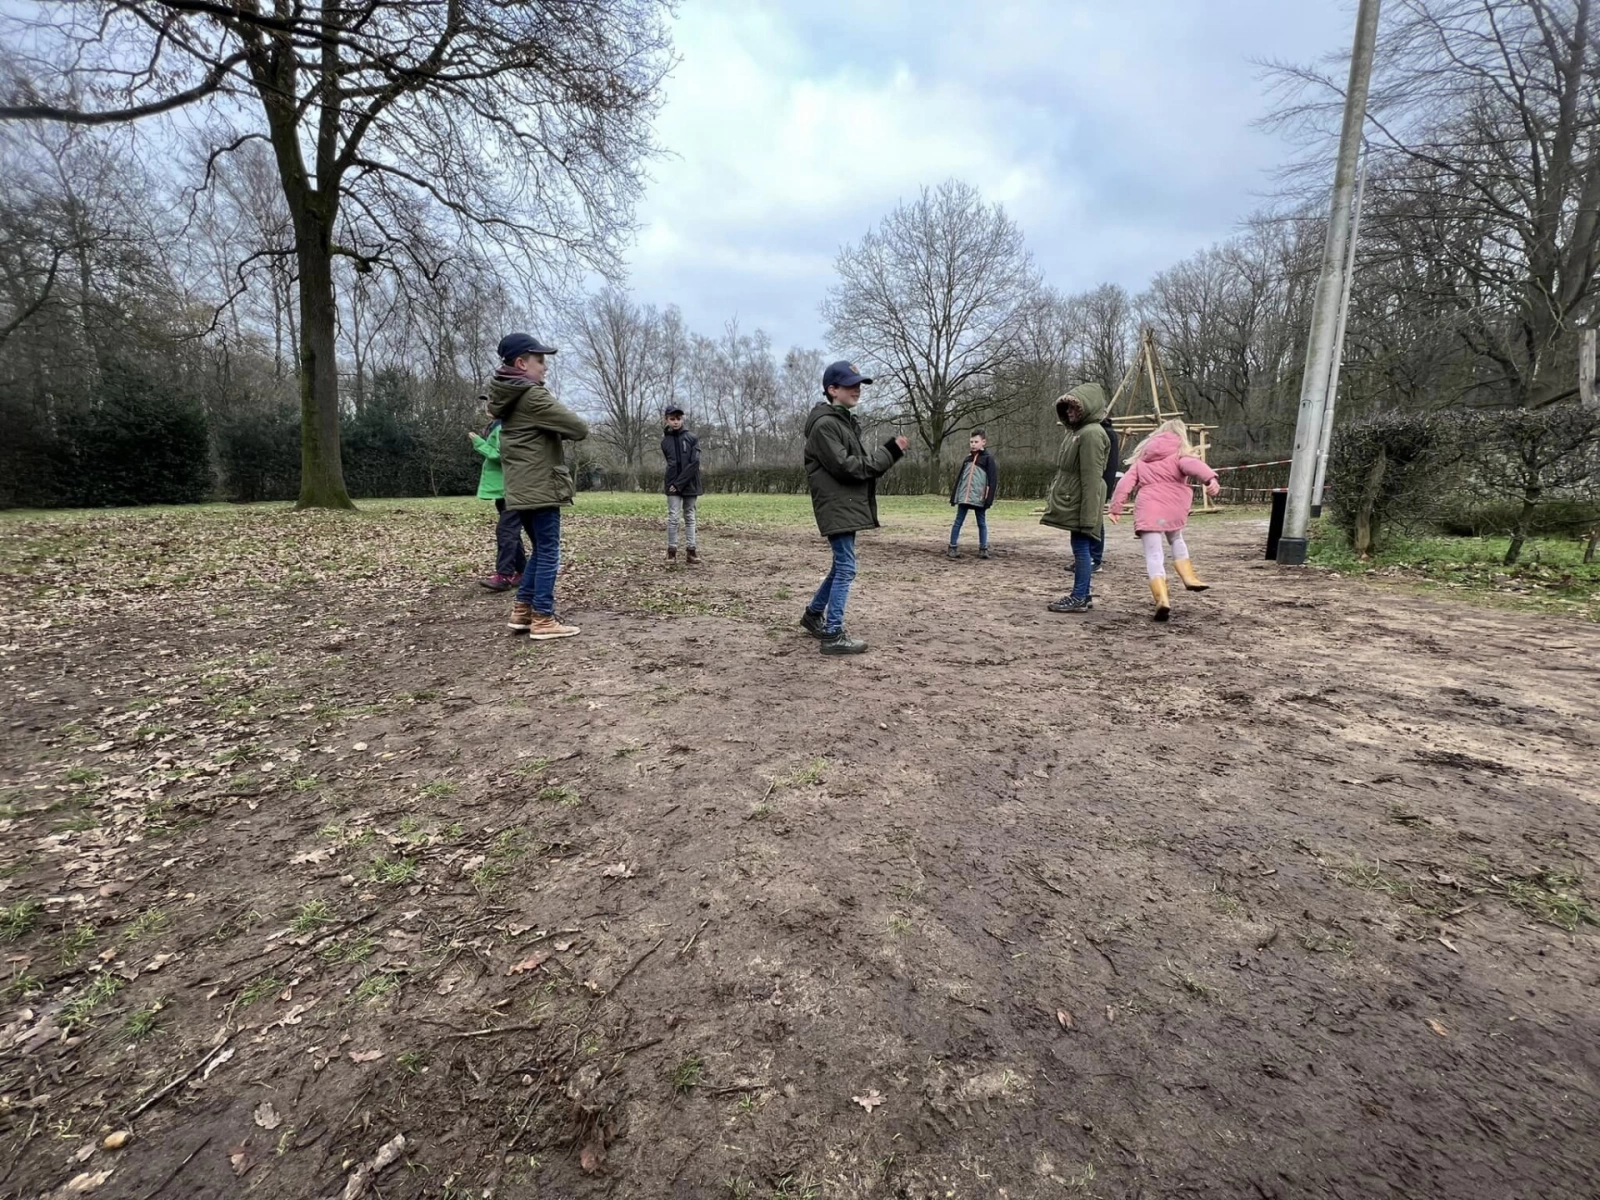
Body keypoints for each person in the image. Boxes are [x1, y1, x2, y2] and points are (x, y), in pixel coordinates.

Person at [799, 361, 907, 655]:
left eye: (859, 384)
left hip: (842, 505)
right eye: (850, 384)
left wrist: (888, 452)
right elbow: (847, 467)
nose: (857, 389)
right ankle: (833, 634)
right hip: (837, 506)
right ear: (832, 390)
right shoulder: (825, 426)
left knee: (840, 565)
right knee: (846, 567)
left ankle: (813, 615)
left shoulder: (840, 422)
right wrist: (890, 452)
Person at [486, 333, 590, 640]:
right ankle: (543, 618)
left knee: (539, 550)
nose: (545, 367)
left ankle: (522, 611)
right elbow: (579, 428)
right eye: (540, 360)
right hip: (540, 484)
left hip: (521, 486)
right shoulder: (532, 395)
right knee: (549, 552)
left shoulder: (507, 397)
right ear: (521, 363)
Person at [1108, 418, 1220, 621]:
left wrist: (1115, 508)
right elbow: (1193, 465)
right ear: (1180, 436)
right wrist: (1210, 479)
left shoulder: (1142, 460)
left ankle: (1162, 599)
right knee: (1176, 539)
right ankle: (1189, 577)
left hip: (1148, 509)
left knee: (1153, 554)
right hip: (1173, 508)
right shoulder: (1179, 455)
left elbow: (1125, 483)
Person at [1040, 383, 1111, 613]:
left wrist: (1089, 515)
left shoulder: (1091, 434)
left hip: (1082, 501)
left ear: (1086, 408)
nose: (1069, 412)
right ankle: (1084, 593)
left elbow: (1091, 477)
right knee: (1080, 548)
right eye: (1067, 408)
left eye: (1073, 408)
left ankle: (1079, 596)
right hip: (1076, 499)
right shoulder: (1080, 433)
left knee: (1081, 548)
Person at [468, 405, 528, 591]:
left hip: (512, 489)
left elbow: (500, 455)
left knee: (506, 532)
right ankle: (523, 573)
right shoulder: (497, 425)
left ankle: (504, 576)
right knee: (510, 533)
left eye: (492, 403)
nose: (487, 407)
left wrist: (479, 443)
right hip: (504, 490)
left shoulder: (504, 427)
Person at [946, 429, 998, 559]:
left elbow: (992, 480)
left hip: (979, 498)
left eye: (976, 441)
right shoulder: (967, 459)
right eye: (971, 442)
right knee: (958, 521)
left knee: (981, 523)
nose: (973, 444)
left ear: (983, 442)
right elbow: (960, 479)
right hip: (964, 497)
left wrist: (989, 499)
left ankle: (983, 548)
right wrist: (954, 496)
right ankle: (952, 547)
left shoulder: (988, 459)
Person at [660, 404, 702, 564]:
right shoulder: (665, 442)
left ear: (682, 419)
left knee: (690, 516)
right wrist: (674, 484)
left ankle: (691, 551)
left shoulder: (692, 438)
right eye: (672, 419)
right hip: (672, 485)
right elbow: (671, 463)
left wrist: (679, 483)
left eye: (678, 418)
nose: (676, 422)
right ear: (667, 420)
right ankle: (671, 551)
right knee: (673, 518)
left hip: (690, 484)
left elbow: (694, 463)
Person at [1091, 416, 1121, 571]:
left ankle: (1095, 558)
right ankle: (1091, 557)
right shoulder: (1105, 432)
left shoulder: (1104, 433)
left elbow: (1103, 464)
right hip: (1101, 482)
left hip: (1099, 482)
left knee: (1095, 520)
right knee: (1093, 519)